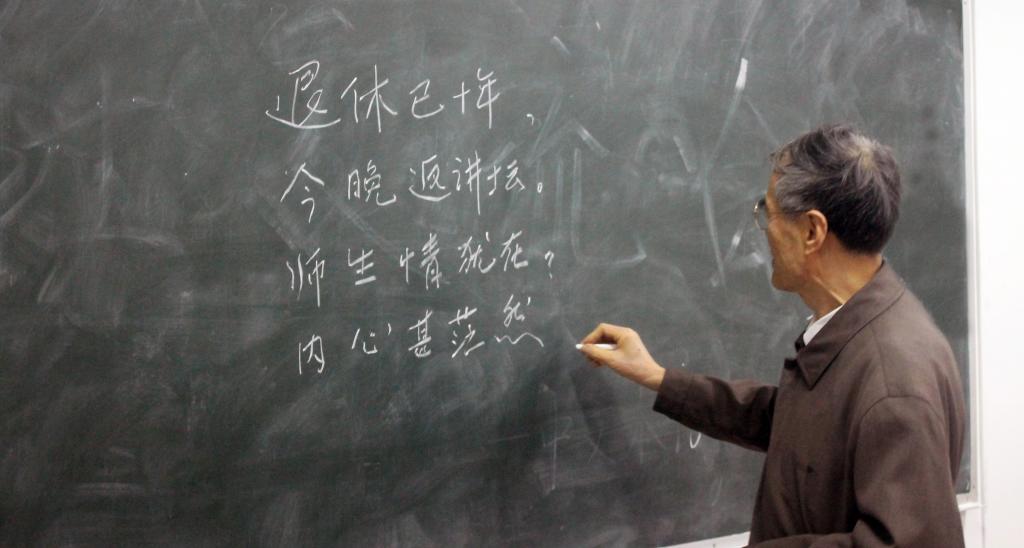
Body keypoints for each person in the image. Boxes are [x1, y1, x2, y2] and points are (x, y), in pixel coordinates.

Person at [578, 124, 966, 547]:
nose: (763, 229)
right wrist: (657, 377)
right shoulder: (856, 329)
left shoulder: (894, 382)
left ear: (813, 232)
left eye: (769, 212)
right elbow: (795, 422)